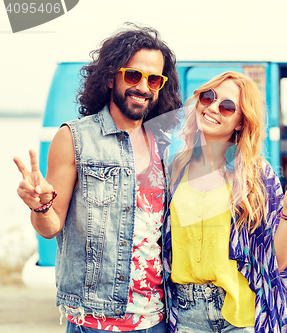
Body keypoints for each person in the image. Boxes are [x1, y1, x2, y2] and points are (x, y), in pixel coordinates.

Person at [14, 24, 182, 332]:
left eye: (154, 79)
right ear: (109, 77)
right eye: (133, 75)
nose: (143, 86)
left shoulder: (162, 143)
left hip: (157, 317)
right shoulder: (73, 138)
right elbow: (51, 227)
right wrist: (39, 205)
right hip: (94, 321)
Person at [162, 71, 287, 333]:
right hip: (186, 314)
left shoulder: (256, 174)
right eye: (208, 97)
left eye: (227, 107)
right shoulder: (175, 169)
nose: (213, 107)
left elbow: (279, 264)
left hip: (241, 316)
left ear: (240, 122)